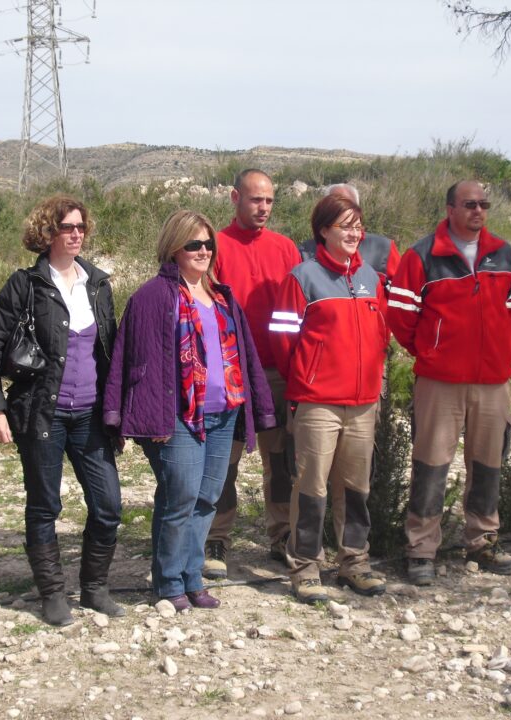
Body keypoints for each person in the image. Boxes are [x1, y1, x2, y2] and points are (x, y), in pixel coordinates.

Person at [103, 210, 275, 612]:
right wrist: (135, 417)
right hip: (178, 416)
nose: (203, 251)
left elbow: (246, 359)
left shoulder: (221, 297)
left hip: (223, 412)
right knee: (179, 496)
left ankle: (192, 577)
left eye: (208, 244)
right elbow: (132, 361)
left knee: (207, 497)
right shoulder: (152, 296)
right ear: (174, 248)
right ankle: (167, 581)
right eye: (193, 244)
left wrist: (260, 409)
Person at [0, 195, 123, 626]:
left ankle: (94, 588)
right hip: (42, 414)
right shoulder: (25, 285)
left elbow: (109, 351)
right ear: (47, 233)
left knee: (109, 505)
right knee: (44, 506)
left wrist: (118, 411)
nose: (76, 234)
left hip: (90, 415)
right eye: (67, 228)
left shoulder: (97, 283)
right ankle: (53, 593)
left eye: (80, 227)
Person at [388, 181, 511, 585]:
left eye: (484, 204)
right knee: (431, 466)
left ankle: (482, 541)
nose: (478, 211)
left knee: (488, 465)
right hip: (440, 381)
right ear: (450, 208)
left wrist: (501, 349)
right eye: (469, 204)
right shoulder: (422, 254)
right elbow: (401, 315)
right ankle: (421, 550)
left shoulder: (503, 254)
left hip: (492, 382)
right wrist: (430, 352)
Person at [269, 195, 389, 603]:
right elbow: (283, 342)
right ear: (323, 230)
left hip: (363, 404)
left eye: (359, 225)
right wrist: (309, 377)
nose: (355, 233)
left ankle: (354, 562)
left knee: (355, 487)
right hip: (317, 402)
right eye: (345, 225)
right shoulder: (302, 278)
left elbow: (381, 335)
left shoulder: (371, 277)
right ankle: (306, 567)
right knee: (311, 488)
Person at [204, 169, 301, 580]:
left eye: (269, 201)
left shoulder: (285, 248)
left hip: (277, 370)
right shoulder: (216, 245)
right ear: (234, 198)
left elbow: (298, 313)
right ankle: (216, 536)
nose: (263, 208)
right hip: (231, 371)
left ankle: (282, 534)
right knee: (223, 458)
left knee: (279, 458)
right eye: (255, 200)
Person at [297, 183, 400, 294]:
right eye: (336, 206)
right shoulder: (304, 253)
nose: (345, 211)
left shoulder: (383, 249)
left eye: (349, 206)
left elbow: (402, 296)